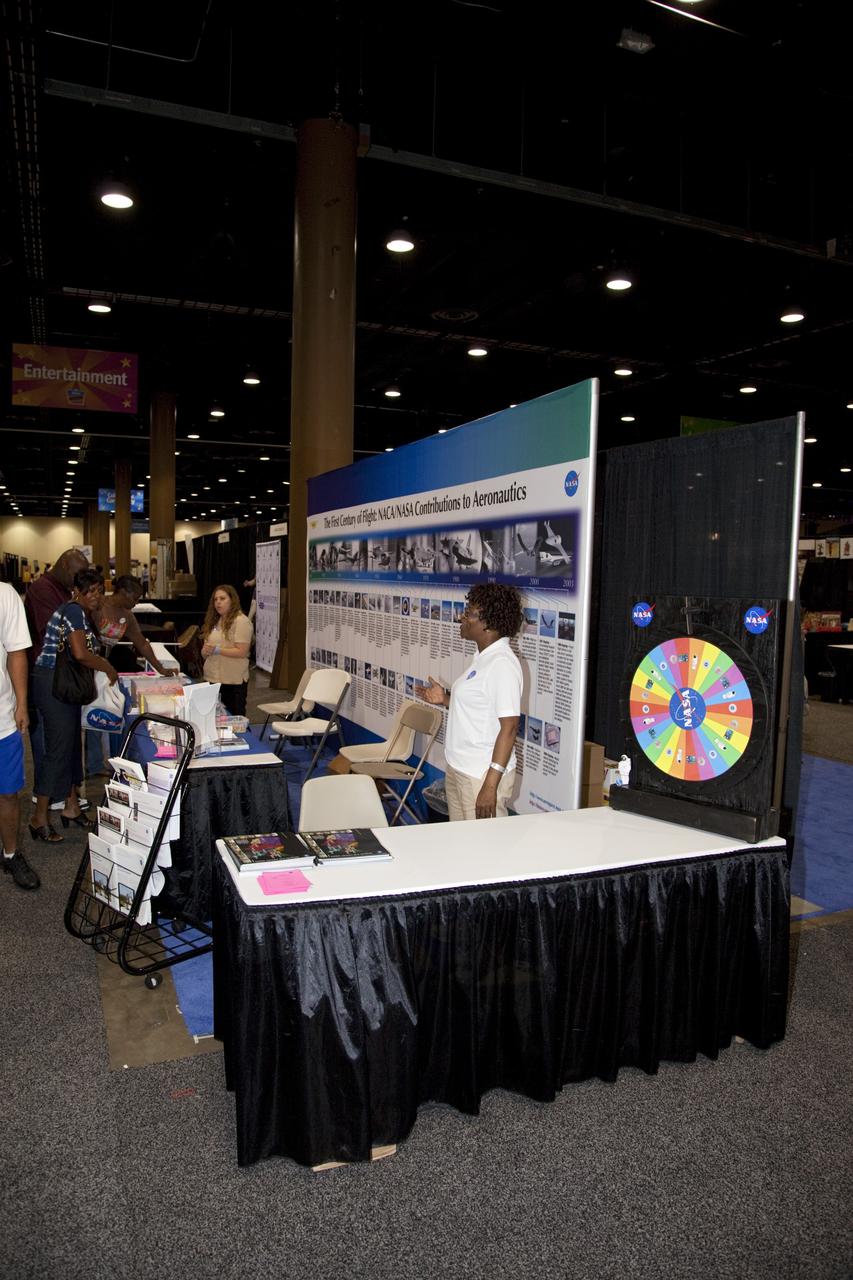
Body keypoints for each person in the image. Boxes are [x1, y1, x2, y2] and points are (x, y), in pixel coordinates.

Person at [418, 582, 523, 820]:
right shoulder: (483, 659)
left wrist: (489, 786)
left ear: (487, 623)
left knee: (484, 851)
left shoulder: (502, 664)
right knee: (463, 846)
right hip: (460, 769)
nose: (461, 618)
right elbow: (481, 708)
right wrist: (445, 699)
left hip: (480, 776)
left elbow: (510, 728)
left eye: (468, 613)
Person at [30, 569, 118, 842]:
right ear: (76, 592)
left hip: (61, 682)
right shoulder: (73, 611)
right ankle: (39, 817)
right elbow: (80, 654)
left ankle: (70, 806)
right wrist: (108, 667)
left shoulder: (80, 613)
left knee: (69, 746)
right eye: (90, 591)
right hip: (52, 683)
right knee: (57, 749)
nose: (96, 596)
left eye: (99, 590)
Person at [24, 546, 90, 805]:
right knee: (52, 742)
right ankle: (48, 796)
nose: (78, 581)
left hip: (61, 675)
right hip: (47, 675)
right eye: (76, 575)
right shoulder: (42, 590)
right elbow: (58, 631)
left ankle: (66, 795)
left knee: (65, 739)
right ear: (63, 566)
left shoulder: (62, 589)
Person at [0, 581, 39, 890]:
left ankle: (11, 853)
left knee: (8, 792)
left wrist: (22, 704)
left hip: (1, 718)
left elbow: (17, 653)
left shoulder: (4, 595)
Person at [96, 576, 169, 674]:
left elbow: (142, 644)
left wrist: (161, 669)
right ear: (123, 592)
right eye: (135, 599)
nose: (136, 603)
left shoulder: (128, 615)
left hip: (104, 662)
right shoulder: (98, 603)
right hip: (87, 661)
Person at [200, 584, 253, 717]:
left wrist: (217, 650)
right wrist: (205, 651)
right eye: (215, 599)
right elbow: (206, 647)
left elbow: (242, 651)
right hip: (212, 678)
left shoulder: (241, 621)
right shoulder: (215, 621)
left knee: (234, 721)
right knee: (214, 719)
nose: (218, 602)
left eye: (222, 598)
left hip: (232, 681)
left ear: (232, 600)